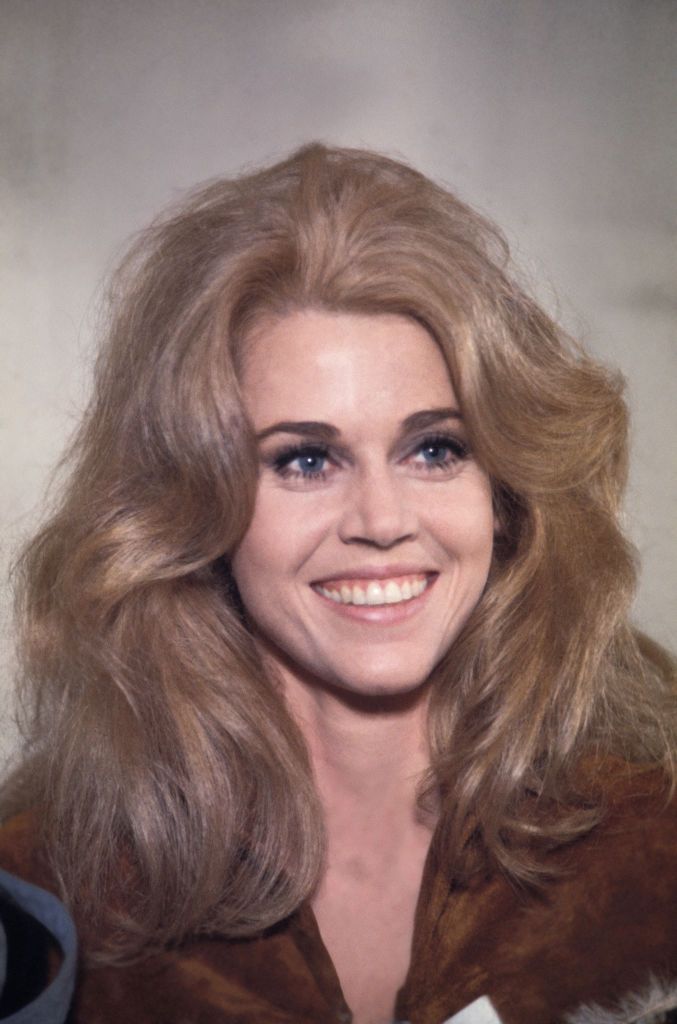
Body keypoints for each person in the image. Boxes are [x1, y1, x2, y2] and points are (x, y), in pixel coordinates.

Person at [1, 143, 676, 1024]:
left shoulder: (648, 839)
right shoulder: (45, 895)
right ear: (194, 507)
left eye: (435, 448)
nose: (381, 519)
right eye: (305, 459)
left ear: (506, 490)